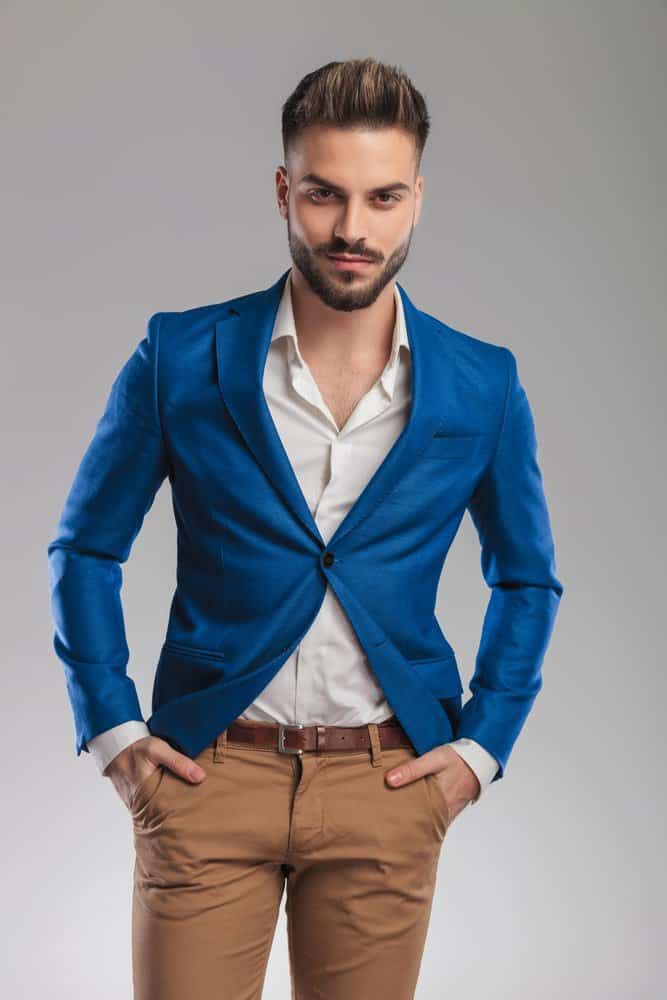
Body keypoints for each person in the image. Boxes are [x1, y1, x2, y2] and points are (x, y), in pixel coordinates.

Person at [47, 56, 563, 999]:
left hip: (389, 785)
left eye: (382, 197)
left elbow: (525, 579)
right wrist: (113, 731)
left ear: (417, 201)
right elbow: (84, 549)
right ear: (285, 190)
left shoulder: (481, 383)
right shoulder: (181, 355)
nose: (352, 229)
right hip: (208, 778)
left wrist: (479, 752)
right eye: (324, 194)